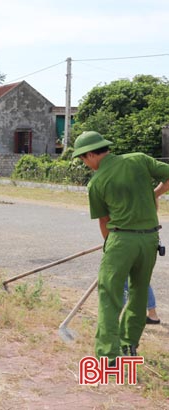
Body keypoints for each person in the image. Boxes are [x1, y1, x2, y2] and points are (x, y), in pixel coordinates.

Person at [72, 130, 169, 361]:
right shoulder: (139, 159)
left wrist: (111, 247)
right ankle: (128, 345)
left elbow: (104, 221)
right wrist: (155, 193)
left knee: (110, 296)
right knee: (138, 294)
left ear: (90, 155)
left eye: (83, 160)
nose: (85, 165)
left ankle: (108, 355)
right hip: (149, 240)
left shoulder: (96, 183)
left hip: (120, 240)